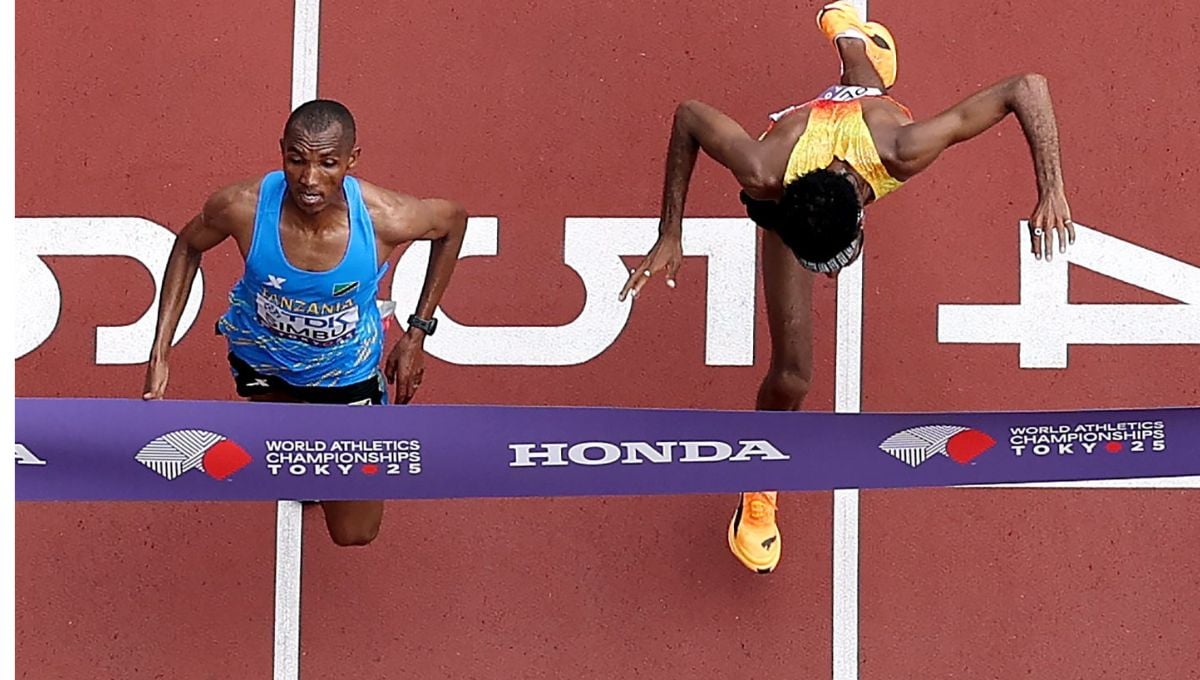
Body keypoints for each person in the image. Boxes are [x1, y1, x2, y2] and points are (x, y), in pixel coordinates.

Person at [620, 1, 1074, 574]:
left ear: (862, 206)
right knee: (792, 374)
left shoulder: (901, 149)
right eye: (824, 265)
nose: (831, 276)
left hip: (863, 130)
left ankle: (851, 40)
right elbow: (688, 115)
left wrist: (1051, 190)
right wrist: (669, 231)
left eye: (834, 262)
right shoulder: (764, 172)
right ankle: (760, 485)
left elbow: (1026, 87)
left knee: (866, 95)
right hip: (795, 167)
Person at [142, 99, 468, 547]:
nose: (309, 180)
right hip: (263, 360)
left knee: (354, 533)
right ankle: (309, 472)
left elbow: (454, 224)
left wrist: (418, 333)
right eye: (296, 160)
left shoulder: (386, 217)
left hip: (345, 372)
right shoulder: (242, 207)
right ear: (282, 152)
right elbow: (187, 245)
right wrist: (160, 352)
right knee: (291, 456)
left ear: (352, 160)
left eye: (328, 163)